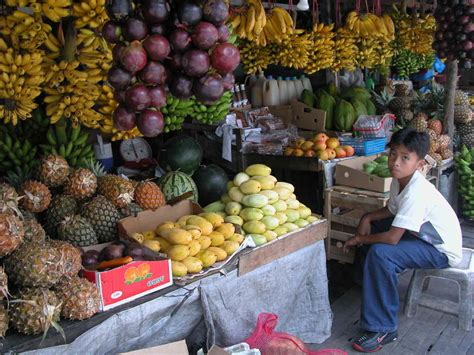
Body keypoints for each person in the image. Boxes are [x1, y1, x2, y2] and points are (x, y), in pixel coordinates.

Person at [343, 127, 462, 353]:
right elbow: (391, 210)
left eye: (405, 158)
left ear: (419, 165)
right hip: (422, 236)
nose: (395, 162)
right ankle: (369, 286)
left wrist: (359, 238)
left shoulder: (417, 191)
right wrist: (367, 217)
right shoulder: (401, 180)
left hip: (440, 249)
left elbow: (391, 238)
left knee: (381, 252)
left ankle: (383, 328)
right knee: (375, 226)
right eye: (393, 154)